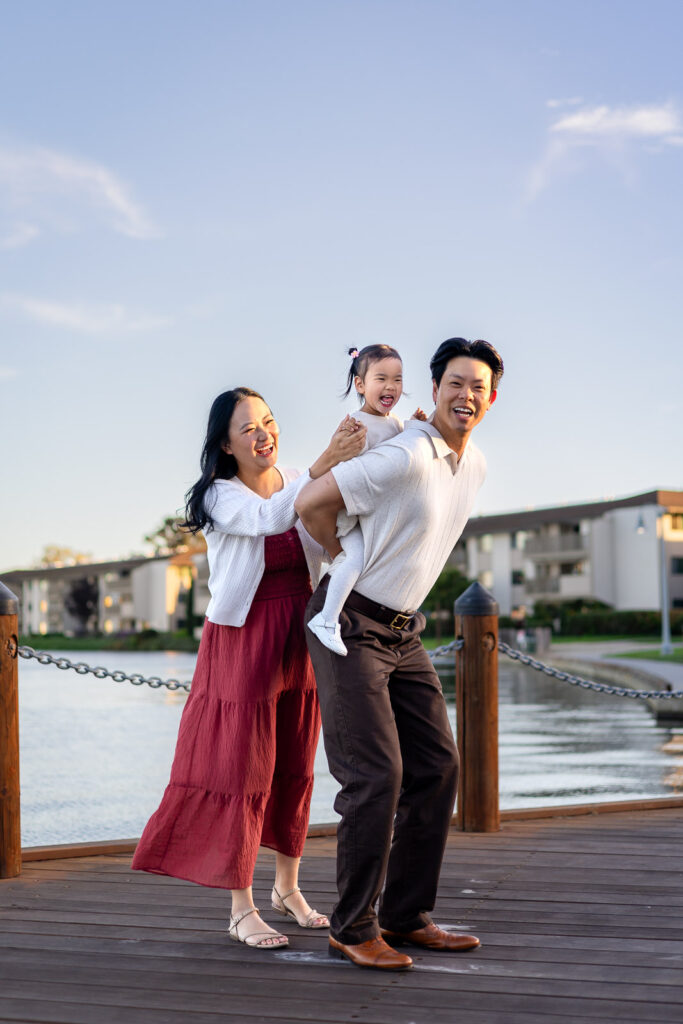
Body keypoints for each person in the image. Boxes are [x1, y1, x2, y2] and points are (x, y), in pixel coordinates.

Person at [132, 387, 365, 950]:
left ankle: (288, 888)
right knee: (243, 771)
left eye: (268, 422)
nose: (264, 434)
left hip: (297, 632)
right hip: (242, 636)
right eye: (249, 429)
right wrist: (323, 466)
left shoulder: (294, 476)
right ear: (225, 444)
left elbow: (331, 520)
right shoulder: (218, 495)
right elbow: (265, 519)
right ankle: (242, 908)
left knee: (294, 764)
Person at [296, 337, 503, 970]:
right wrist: (340, 557)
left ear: (491, 397)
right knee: (375, 775)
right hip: (349, 621)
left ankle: (406, 917)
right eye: (454, 384)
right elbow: (310, 504)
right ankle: (352, 928)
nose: (466, 395)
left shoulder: (475, 465)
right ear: (434, 389)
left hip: (401, 631)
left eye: (478, 386)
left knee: (436, 767)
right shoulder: (408, 453)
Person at [307, 344, 425, 656]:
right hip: (353, 515)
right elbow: (347, 463)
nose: (391, 387)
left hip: (378, 514)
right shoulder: (356, 423)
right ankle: (327, 619)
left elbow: (402, 450)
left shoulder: (395, 423)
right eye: (381, 378)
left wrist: (415, 423)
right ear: (360, 385)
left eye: (398, 379)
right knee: (353, 560)